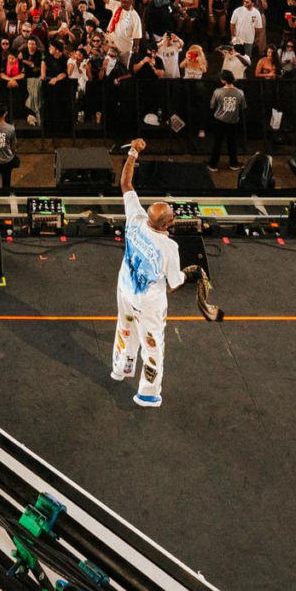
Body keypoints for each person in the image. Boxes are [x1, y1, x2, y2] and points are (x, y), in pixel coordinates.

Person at [111, 139, 190, 408]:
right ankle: (147, 393)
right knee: (153, 347)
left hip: (125, 288)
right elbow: (175, 282)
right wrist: (190, 276)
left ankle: (121, 368)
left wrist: (133, 153)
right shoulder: (169, 246)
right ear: (167, 223)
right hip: (149, 303)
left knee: (125, 328)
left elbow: (125, 183)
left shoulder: (135, 217)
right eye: (172, 215)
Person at [205, 77, 246, 173]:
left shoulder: (218, 91)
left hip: (220, 120)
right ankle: (233, 163)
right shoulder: (240, 92)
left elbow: (212, 105)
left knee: (218, 143)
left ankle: (213, 164)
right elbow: (243, 106)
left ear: (224, 80)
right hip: (233, 120)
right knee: (232, 142)